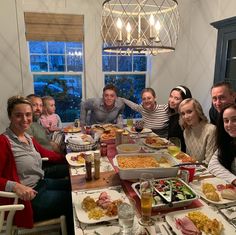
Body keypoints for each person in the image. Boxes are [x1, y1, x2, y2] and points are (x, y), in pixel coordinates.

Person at [0, 96, 74, 233]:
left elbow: (47, 154)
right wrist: (15, 186)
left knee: (76, 186)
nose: (24, 119)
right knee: (73, 202)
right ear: (10, 116)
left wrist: (71, 158)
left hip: (41, 184)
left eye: (28, 114)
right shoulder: (3, 142)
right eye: (18, 115)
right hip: (27, 199)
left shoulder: (27, 137)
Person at [179, 98, 216, 164]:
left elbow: (209, 162)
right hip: (192, 168)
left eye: (189, 112)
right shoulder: (186, 131)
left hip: (205, 171)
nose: (186, 117)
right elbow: (189, 159)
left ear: (198, 111)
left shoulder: (211, 130)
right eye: (183, 114)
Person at [208, 103, 236, 185]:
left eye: (235, 120)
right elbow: (213, 165)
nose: (229, 125)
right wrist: (233, 179)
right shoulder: (229, 141)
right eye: (226, 121)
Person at [168, 85, 192, 151]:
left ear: (184, 101)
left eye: (176, 98)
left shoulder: (187, 119)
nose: (172, 100)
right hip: (172, 151)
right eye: (171, 96)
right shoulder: (172, 117)